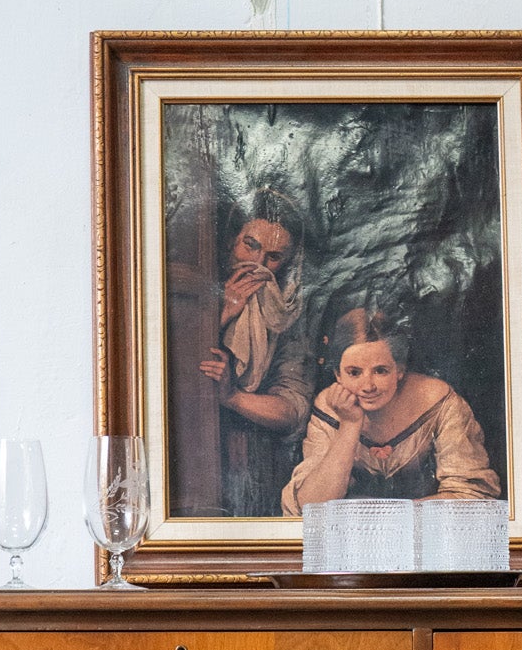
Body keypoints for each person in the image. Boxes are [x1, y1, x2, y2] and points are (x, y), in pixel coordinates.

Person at [167, 187, 314, 518]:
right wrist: (220, 315)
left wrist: (232, 397)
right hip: (193, 455)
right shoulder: (192, 290)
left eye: (273, 257)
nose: (257, 264)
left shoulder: (285, 315)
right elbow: (169, 372)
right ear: (231, 239)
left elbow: (293, 409)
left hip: (255, 467)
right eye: (251, 245)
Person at [282, 307, 501, 514]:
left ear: (400, 370)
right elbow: (310, 507)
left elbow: (472, 496)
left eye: (380, 371)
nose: (368, 386)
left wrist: (390, 516)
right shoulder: (330, 407)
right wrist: (349, 424)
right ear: (338, 375)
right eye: (354, 373)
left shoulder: (439, 401)